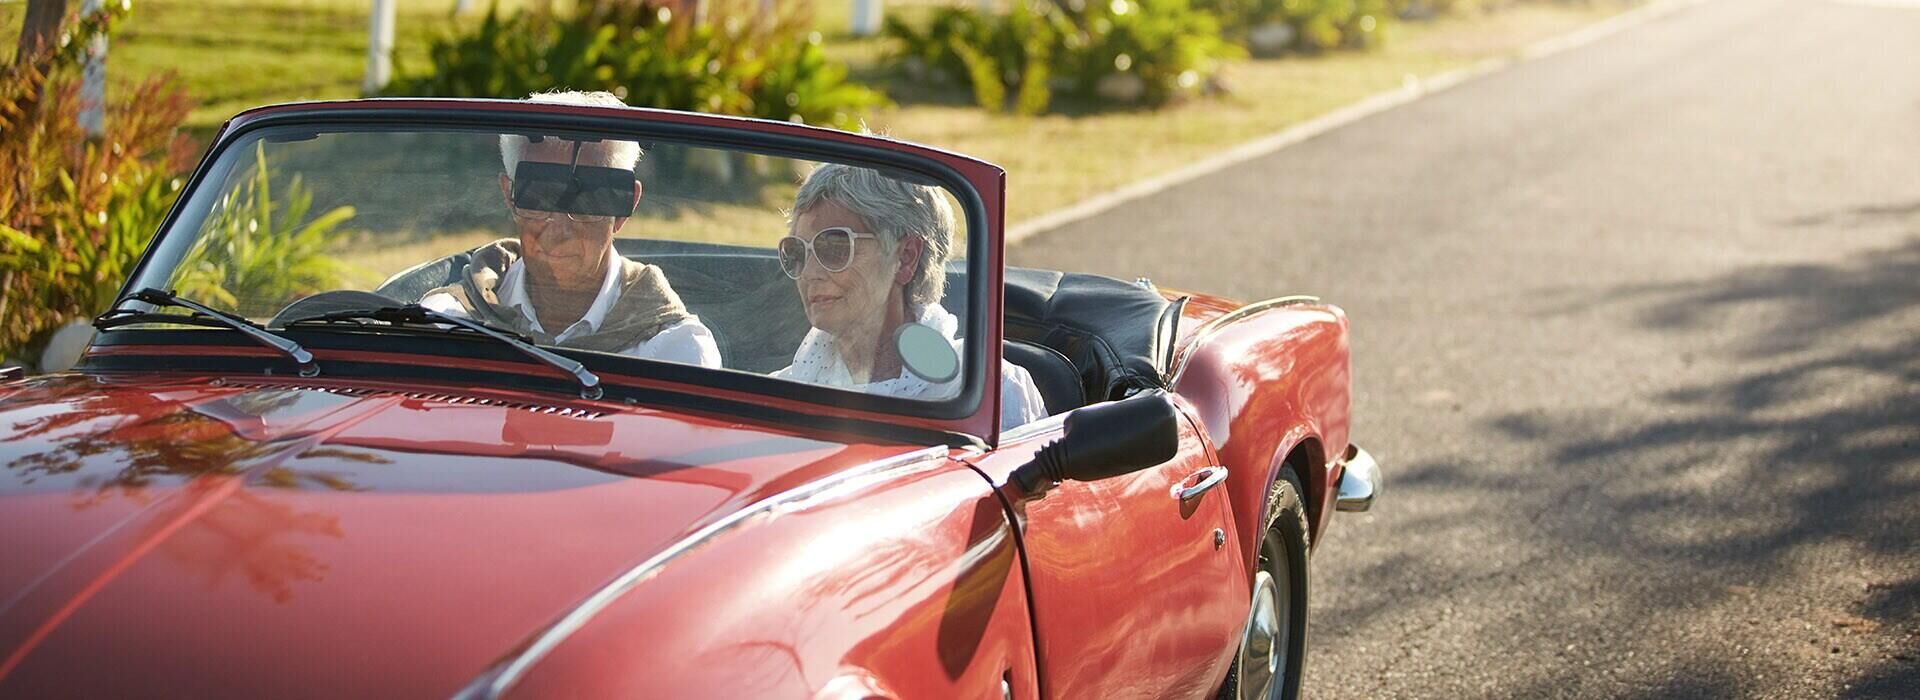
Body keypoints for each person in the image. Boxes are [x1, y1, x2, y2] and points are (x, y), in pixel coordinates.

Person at [420, 91, 720, 367]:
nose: (560, 229)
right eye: (537, 196)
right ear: (509, 196)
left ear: (625, 207)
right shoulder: (448, 323)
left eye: (587, 200)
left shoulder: (676, 354)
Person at [773, 163, 1048, 429]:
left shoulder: (993, 391)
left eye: (833, 246)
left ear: (905, 258)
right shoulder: (778, 393)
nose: (808, 273)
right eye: (796, 251)